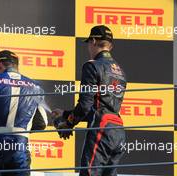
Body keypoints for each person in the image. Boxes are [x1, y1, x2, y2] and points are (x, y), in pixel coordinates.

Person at [52, 25, 127, 176]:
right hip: (118, 131)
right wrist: (67, 114)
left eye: (88, 43)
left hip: (101, 130)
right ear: (110, 45)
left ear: (93, 41)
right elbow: (100, 108)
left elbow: (86, 105)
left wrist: (68, 123)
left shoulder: (92, 66)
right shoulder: (121, 72)